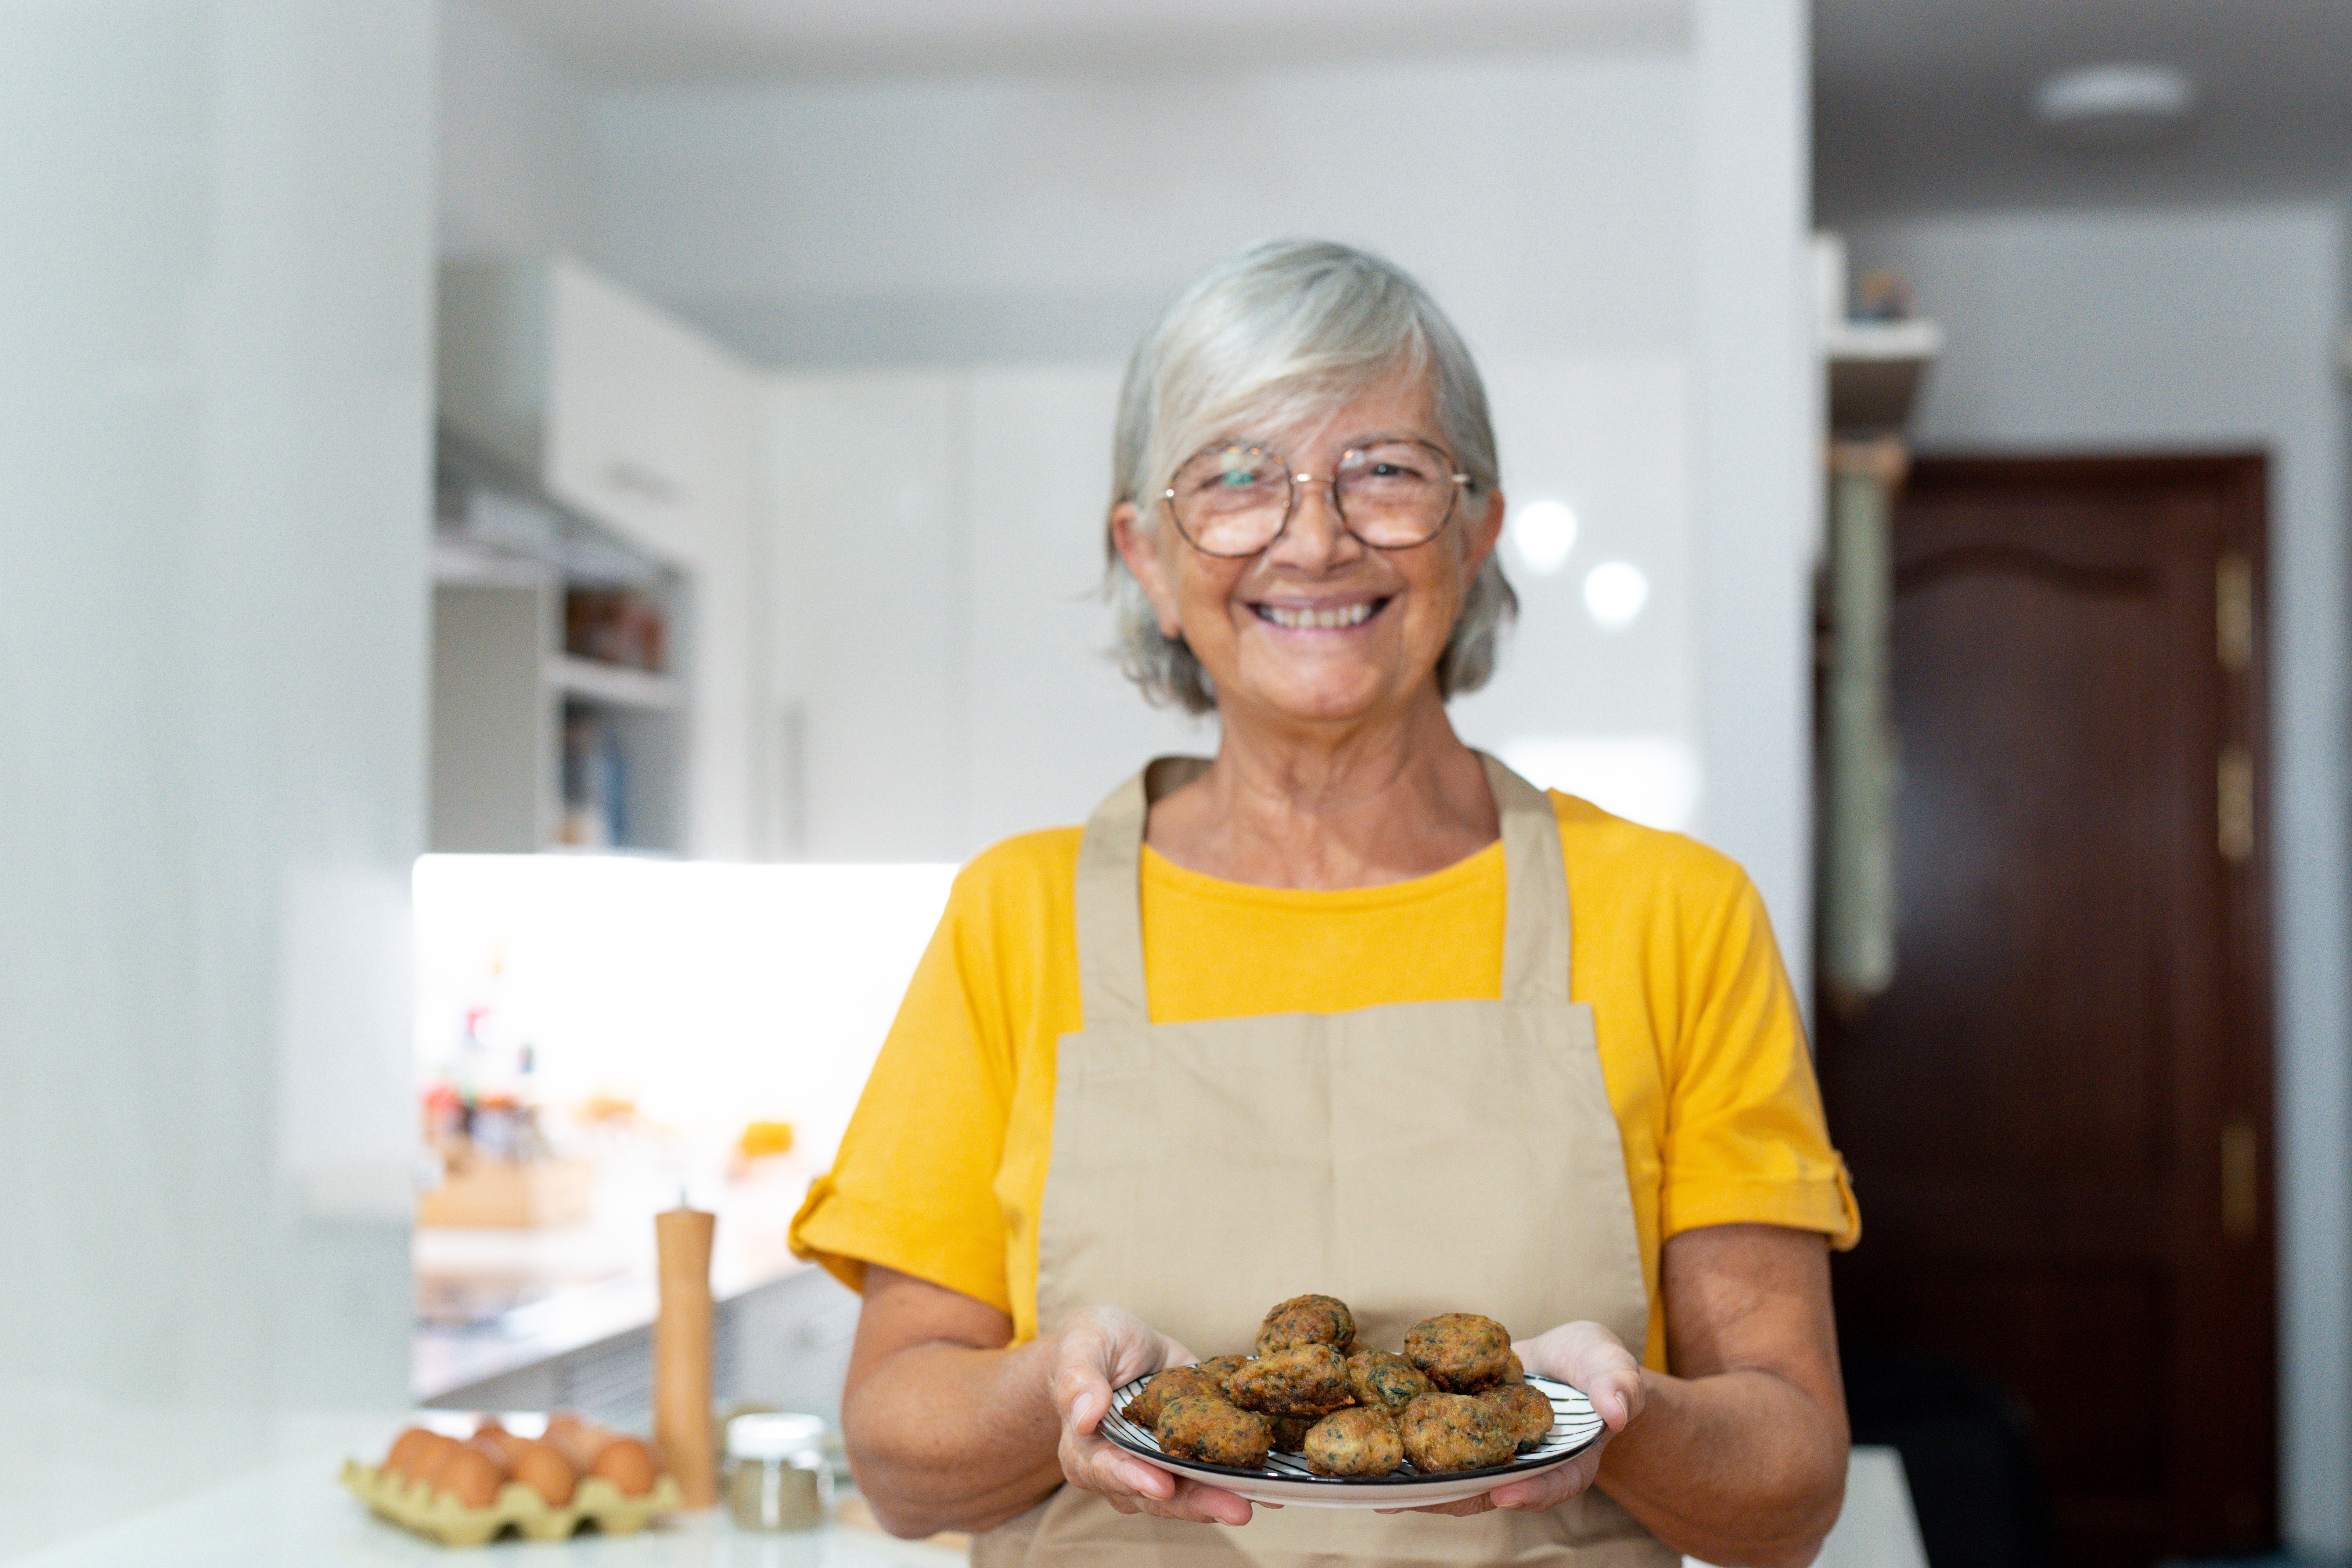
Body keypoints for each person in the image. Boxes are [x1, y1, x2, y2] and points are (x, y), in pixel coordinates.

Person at [790, 238, 1861, 1568]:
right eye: (1235, 479)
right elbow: (897, 1464)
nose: (1312, 535)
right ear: (1147, 554)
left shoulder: (1673, 914)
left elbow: (1792, 1485)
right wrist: (1055, 1387)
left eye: (1387, 473)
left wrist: (1616, 1417)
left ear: (1475, 532)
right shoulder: (1017, 917)